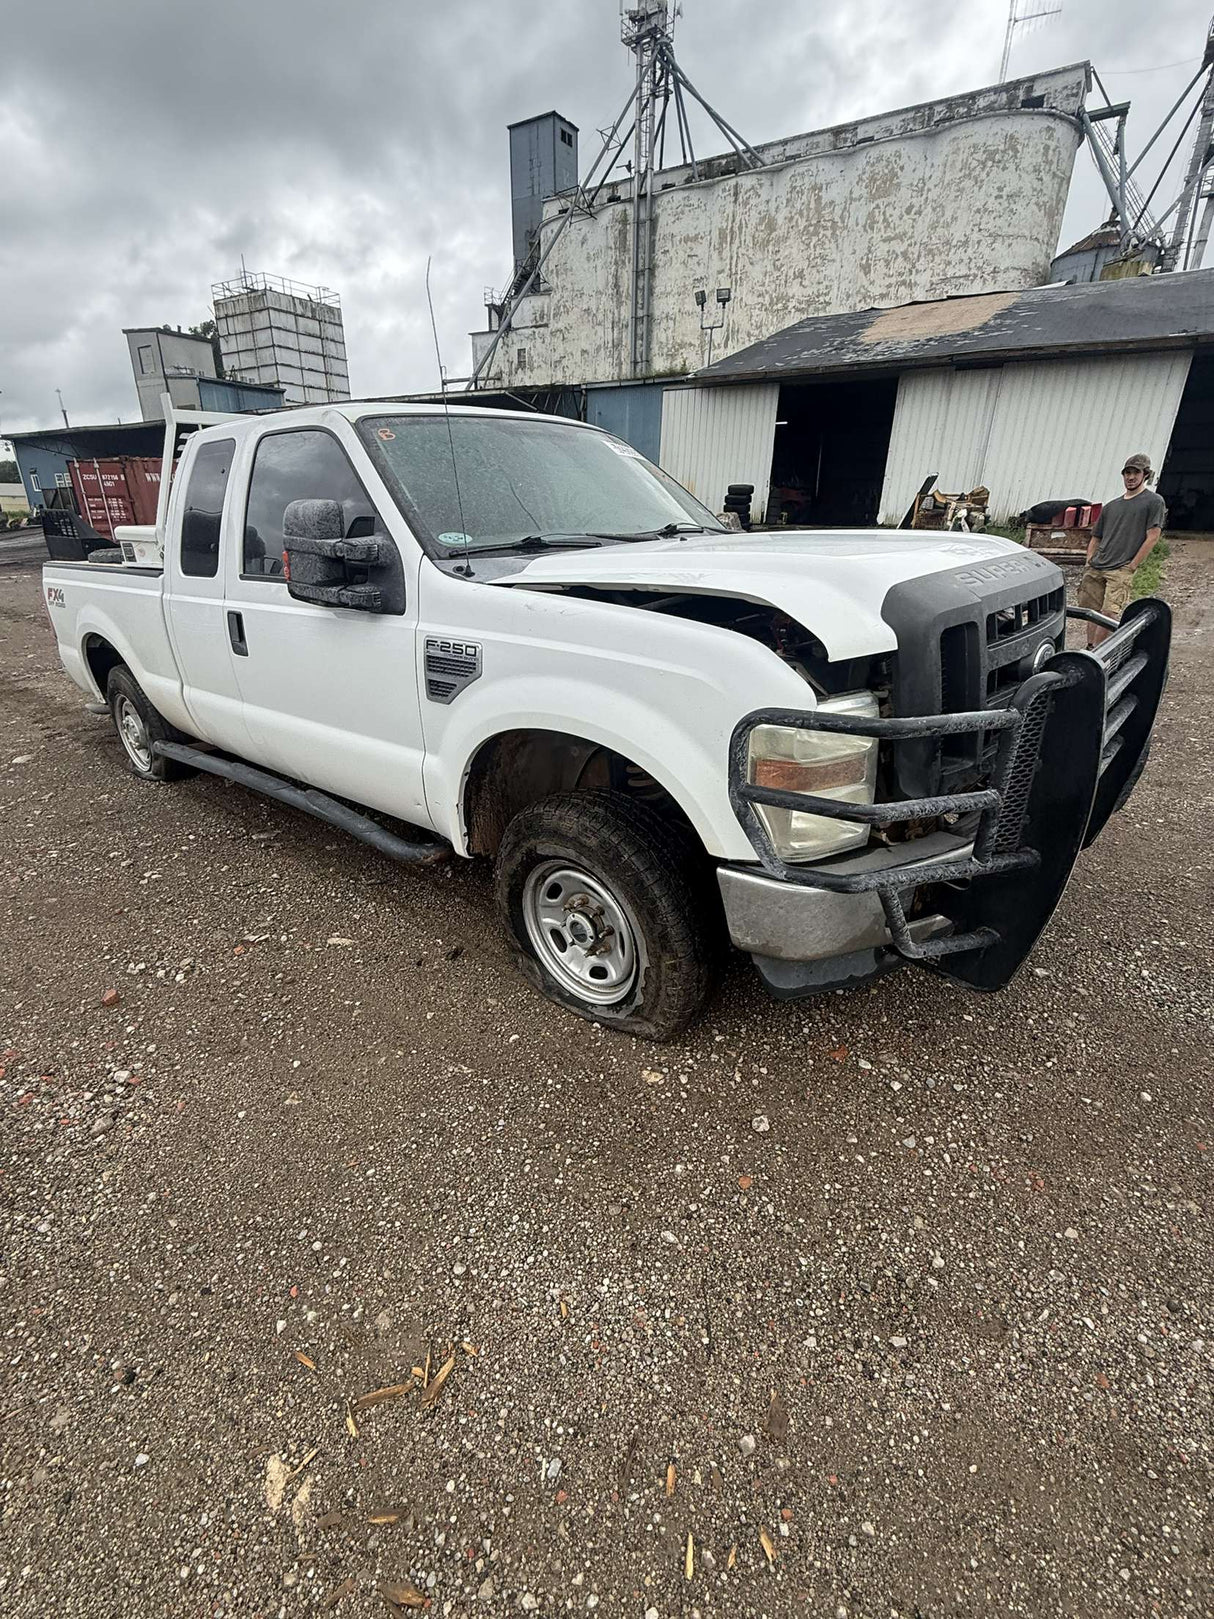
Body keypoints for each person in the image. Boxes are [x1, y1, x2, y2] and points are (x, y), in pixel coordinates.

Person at [1078, 453, 1166, 648]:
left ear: (1146, 475)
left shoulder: (1153, 502)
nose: (1131, 477)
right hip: (1097, 566)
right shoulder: (1111, 506)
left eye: (1136, 472)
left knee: (1110, 612)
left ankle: (1099, 654)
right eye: (1127, 472)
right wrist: (1089, 560)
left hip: (1120, 569)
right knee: (1091, 611)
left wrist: (1132, 565)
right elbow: (1096, 536)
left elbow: (1152, 536)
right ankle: (1090, 647)